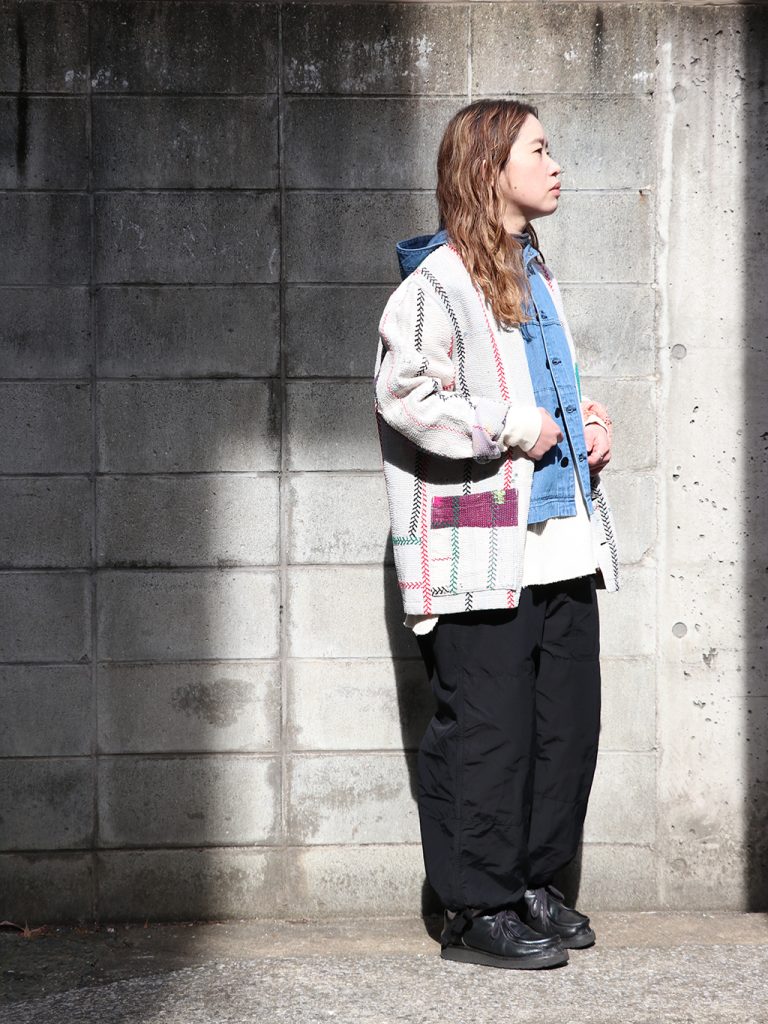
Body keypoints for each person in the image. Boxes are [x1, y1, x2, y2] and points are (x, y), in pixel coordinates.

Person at [373, 99, 620, 971]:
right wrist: (515, 425)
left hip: (563, 539)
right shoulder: (435, 284)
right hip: (483, 549)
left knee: (565, 730)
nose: (556, 165)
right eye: (538, 150)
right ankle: (475, 909)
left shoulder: (536, 271)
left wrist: (587, 421)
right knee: (488, 734)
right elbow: (406, 397)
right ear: (489, 169)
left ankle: (533, 887)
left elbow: (540, 389)